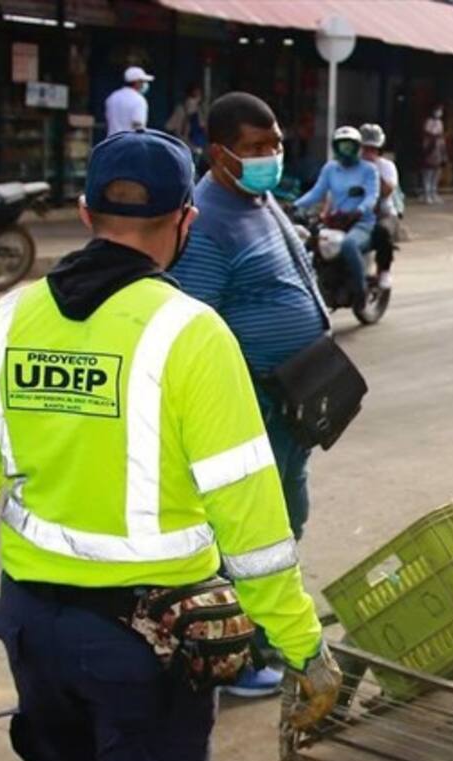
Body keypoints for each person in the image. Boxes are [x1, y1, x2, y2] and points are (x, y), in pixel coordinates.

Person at [0, 128, 342, 761]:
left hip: (32, 626)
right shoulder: (192, 335)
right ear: (185, 222)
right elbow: (252, 526)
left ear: (85, 213)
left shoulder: (3, 323)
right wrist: (300, 645)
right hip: (149, 646)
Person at [169, 93, 330, 696]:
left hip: (292, 397)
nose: (272, 157)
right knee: (256, 536)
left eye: (277, 144)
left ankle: (263, 638)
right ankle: (237, 657)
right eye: (257, 148)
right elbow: (198, 321)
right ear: (220, 154)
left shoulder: (260, 201)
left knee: (288, 518)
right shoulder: (207, 221)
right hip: (253, 403)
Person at [294, 125, 379, 303]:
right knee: (307, 244)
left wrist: (359, 210)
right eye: (342, 146)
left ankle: (360, 291)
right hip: (336, 221)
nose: (346, 150)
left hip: (361, 223)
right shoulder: (330, 168)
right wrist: (294, 205)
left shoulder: (369, 170)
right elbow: (317, 192)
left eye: (350, 146)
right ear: (336, 147)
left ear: (358, 147)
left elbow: (372, 195)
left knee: (348, 245)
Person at [360, 123, 400, 292]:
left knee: (383, 231)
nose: (368, 153)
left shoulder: (386, 167)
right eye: (364, 148)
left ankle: (384, 271)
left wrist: (373, 171)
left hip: (383, 214)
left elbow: (386, 191)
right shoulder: (348, 166)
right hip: (355, 213)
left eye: (372, 149)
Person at [104, 65, 153, 136]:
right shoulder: (138, 99)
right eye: (142, 81)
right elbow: (138, 125)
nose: (144, 84)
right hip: (129, 143)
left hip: (112, 141)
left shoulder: (112, 97)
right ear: (137, 82)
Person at [165, 83, 207, 158]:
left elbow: (168, 127)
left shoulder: (199, 111)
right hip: (186, 148)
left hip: (193, 149)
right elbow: (169, 127)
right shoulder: (182, 110)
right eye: (194, 96)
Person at [421, 104, 447, 204]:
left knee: (436, 173)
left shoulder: (440, 123)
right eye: (438, 110)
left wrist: (443, 151)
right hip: (430, 150)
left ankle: (434, 192)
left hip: (438, 150)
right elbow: (428, 133)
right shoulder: (429, 122)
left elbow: (441, 136)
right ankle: (427, 194)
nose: (439, 112)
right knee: (428, 173)